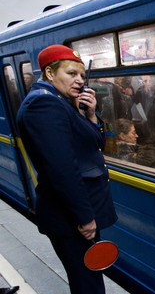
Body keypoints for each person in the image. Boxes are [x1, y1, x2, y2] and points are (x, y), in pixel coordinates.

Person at [16, 45, 117, 294]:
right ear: (49, 73)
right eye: (72, 74)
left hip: (78, 211)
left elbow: (96, 144)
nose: (80, 81)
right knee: (87, 285)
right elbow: (62, 169)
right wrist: (84, 218)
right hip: (72, 217)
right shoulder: (44, 105)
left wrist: (91, 115)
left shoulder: (61, 102)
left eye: (82, 76)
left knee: (89, 280)